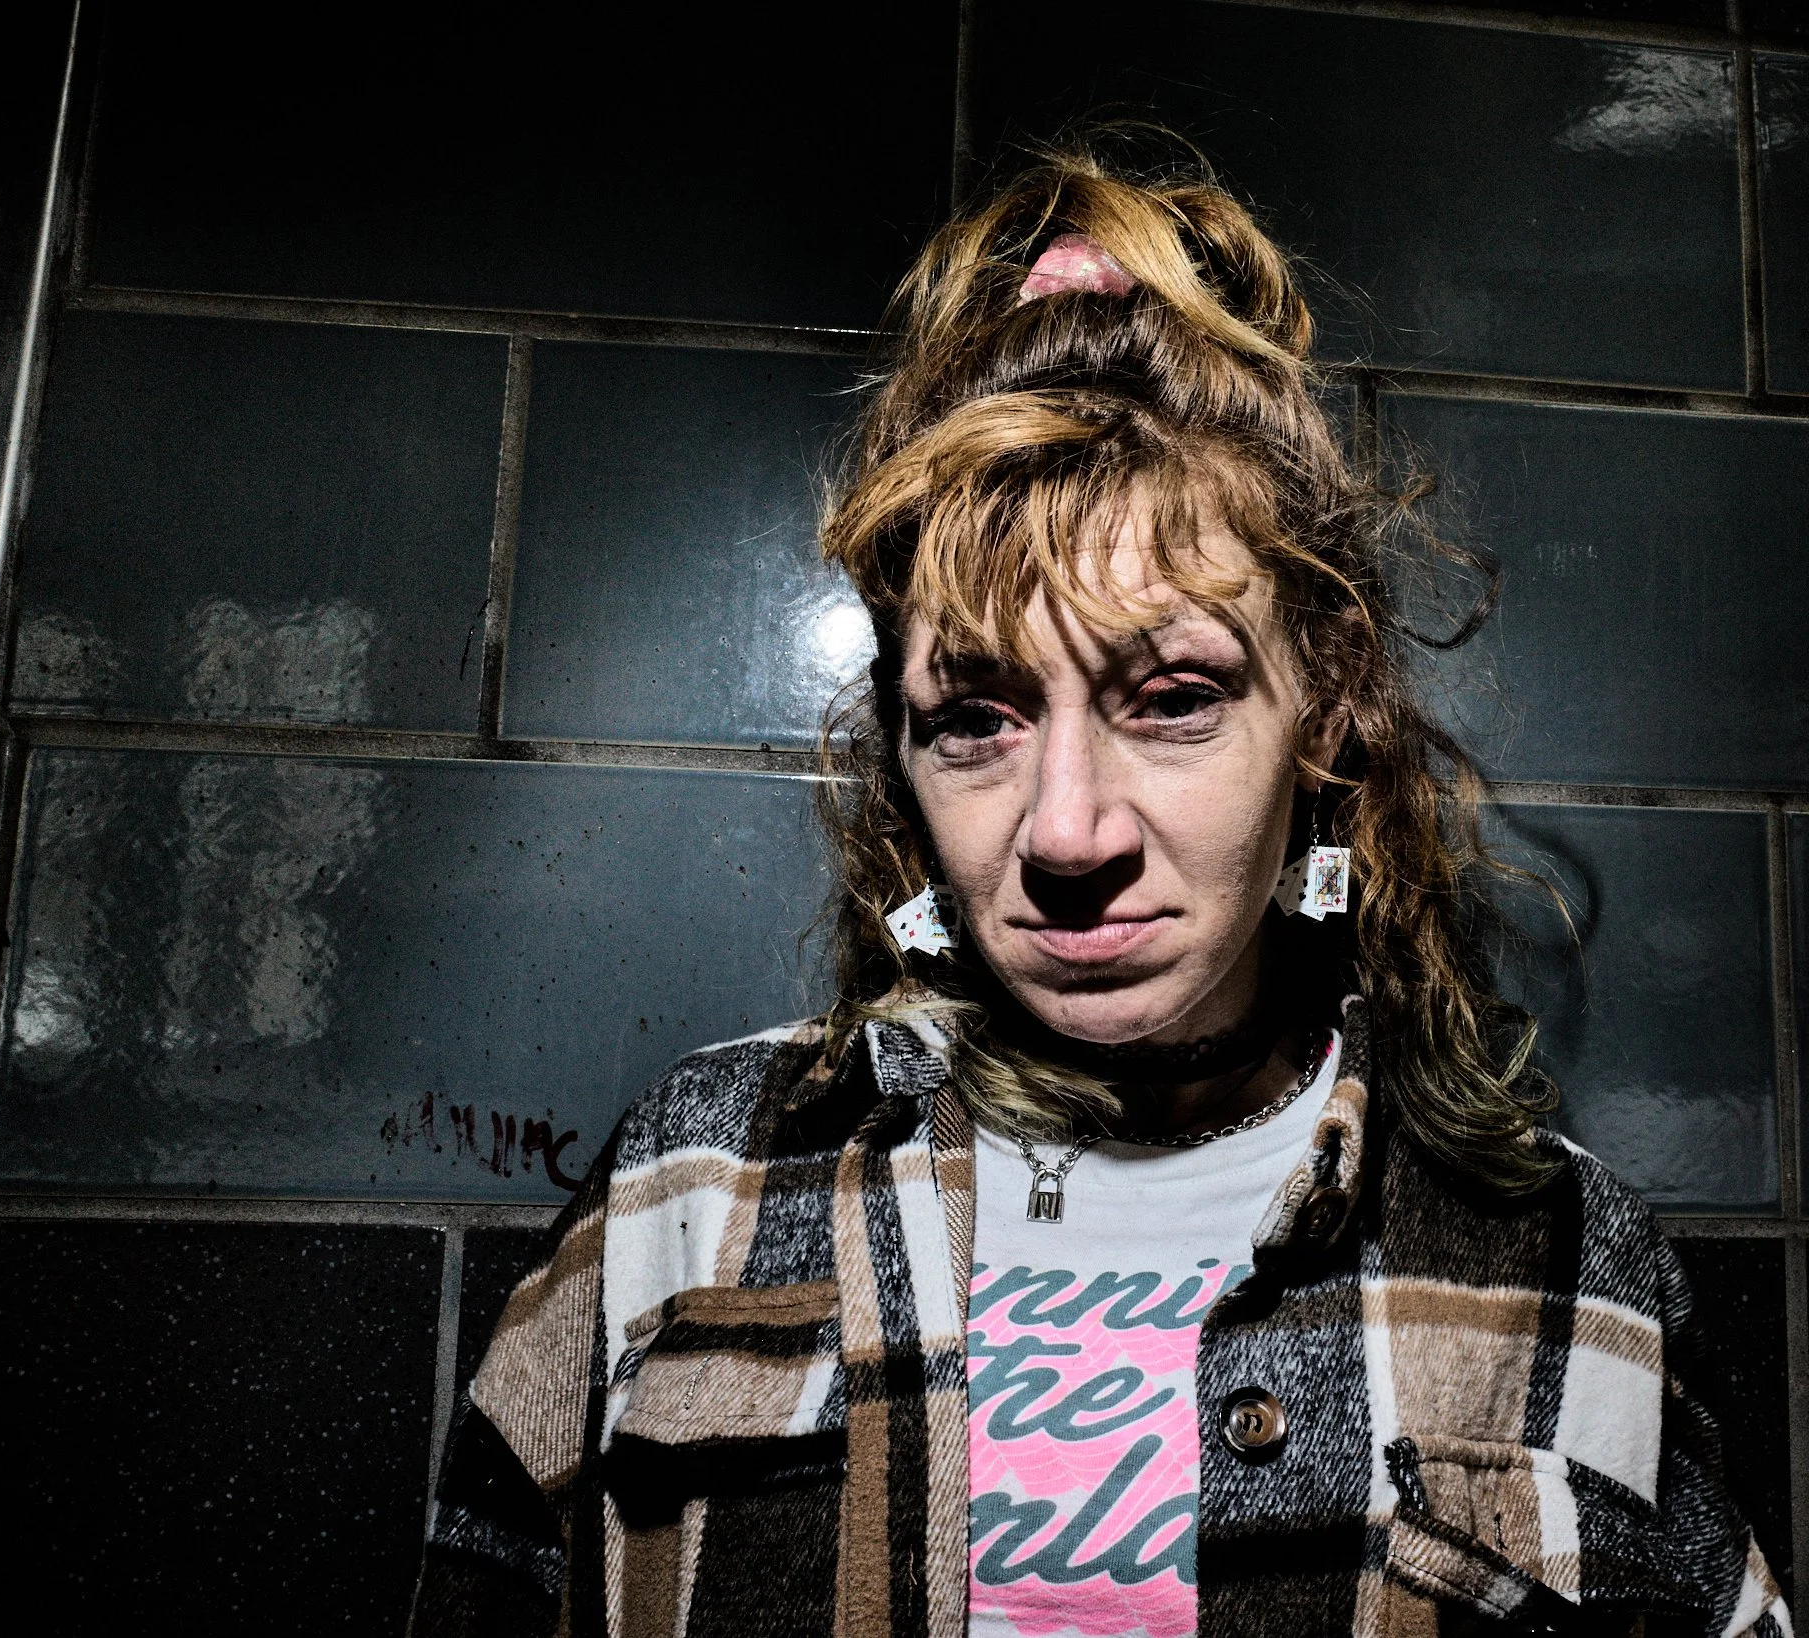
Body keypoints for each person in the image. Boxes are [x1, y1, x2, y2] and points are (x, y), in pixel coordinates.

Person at [411, 150, 1788, 1638]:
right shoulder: (692, 1191)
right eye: (977, 720)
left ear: (1321, 702)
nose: (1064, 830)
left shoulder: (1563, 1259)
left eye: (1174, 695)